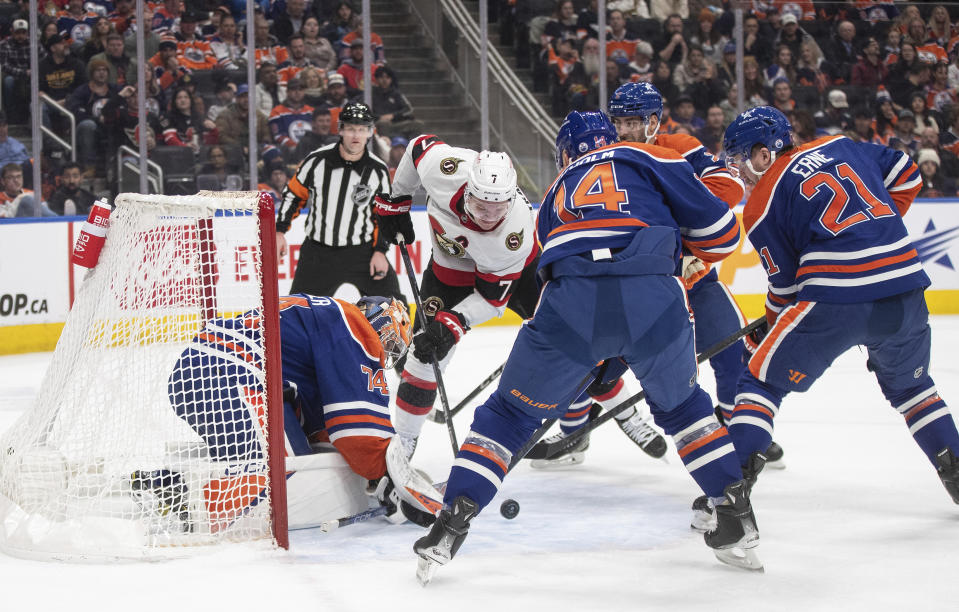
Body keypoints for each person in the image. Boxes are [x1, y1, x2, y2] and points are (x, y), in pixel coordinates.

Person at [412, 111, 760, 584]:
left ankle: (452, 521)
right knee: (684, 409)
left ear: (565, 154)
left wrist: (597, 348)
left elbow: (556, 271)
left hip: (570, 308)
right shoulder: (650, 154)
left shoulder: (553, 192)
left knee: (509, 418)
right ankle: (736, 515)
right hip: (654, 299)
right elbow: (722, 236)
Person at [711, 106, 959, 538]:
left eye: (740, 161)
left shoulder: (762, 204)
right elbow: (907, 174)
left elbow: (786, 292)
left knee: (759, 381)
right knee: (914, 389)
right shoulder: (841, 144)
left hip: (836, 298)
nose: (742, 175)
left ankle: (730, 501)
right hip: (905, 289)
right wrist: (875, 230)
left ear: (763, 153)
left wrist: (771, 326)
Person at [164, 293, 442, 531]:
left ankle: (165, 485)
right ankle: (193, 509)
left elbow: (322, 431)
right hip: (229, 375)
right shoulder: (353, 324)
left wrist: (378, 477)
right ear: (377, 321)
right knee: (286, 477)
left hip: (212, 370)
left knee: (299, 457)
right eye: (390, 341)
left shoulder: (326, 322)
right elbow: (359, 436)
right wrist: (392, 480)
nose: (384, 352)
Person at [276, 102, 404, 303]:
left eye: (362, 129)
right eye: (351, 128)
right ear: (341, 129)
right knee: (298, 311)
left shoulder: (377, 170)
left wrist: (380, 251)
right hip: (318, 253)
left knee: (394, 307)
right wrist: (279, 231)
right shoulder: (316, 161)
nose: (356, 135)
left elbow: (384, 215)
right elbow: (294, 194)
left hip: (362, 251)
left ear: (370, 133)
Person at [268, 76, 314, 158]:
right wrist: (296, 146)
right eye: (293, 89)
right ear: (287, 92)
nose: (297, 92)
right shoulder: (277, 112)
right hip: (289, 150)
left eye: (300, 90)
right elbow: (278, 136)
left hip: (310, 148)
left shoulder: (311, 111)